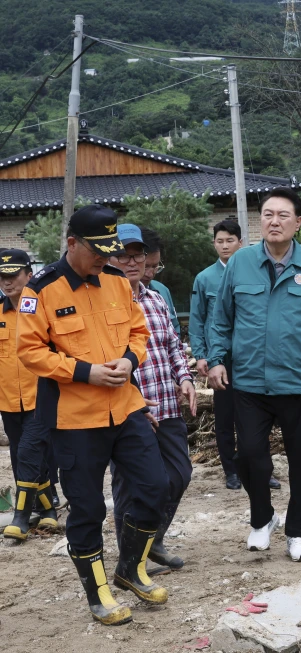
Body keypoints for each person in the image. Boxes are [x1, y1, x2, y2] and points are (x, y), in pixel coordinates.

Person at [17, 205, 170, 626]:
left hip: (126, 407)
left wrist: (129, 361)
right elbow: (30, 352)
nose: (106, 258)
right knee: (87, 509)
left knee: (156, 486)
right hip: (73, 418)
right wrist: (85, 372)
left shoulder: (118, 281)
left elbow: (138, 332)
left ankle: (130, 568)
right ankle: (97, 591)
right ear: (71, 243)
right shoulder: (41, 290)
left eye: (110, 250)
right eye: (97, 250)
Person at [208, 187, 301, 562]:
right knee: (250, 455)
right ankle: (263, 518)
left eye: (282, 215)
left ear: (298, 222)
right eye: (268, 214)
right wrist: (216, 358)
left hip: (298, 381)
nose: (274, 221)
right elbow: (221, 317)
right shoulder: (240, 263)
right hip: (250, 381)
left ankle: (299, 534)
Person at [108, 224, 197, 571]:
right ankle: (131, 558)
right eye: (123, 255)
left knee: (179, 474)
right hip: (129, 409)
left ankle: (153, 538)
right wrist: (131, 402)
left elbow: (172, 345)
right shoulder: (104, 304)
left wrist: (185, 378)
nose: (132, 262)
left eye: (138, 254)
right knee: (129, 486)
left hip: (167, 402)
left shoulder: (155, 297)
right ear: (110, 258)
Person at [189, 219, 278, 491]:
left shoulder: (257, 271)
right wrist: (202, 355)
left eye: (230, 240)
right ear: (214, 243)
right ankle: (231, 470)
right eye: (220, 240)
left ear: (241, 242)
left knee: (260, 416)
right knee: (226, 416)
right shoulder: (205, 278)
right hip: (222, 358)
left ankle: (261, 469)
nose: (225, 245)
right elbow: (197, 319)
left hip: (252, 355)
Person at [1, 248, 60, 541]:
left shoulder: (42, 308)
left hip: (42, 396)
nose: (7, 282)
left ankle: (21, 518)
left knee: (28, 452)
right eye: (2, 277)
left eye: (13, 276)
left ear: (28, 274)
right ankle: (49, 510)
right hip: (8, 399)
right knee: (22, 456)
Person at [140, 227, 180, 334]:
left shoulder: (162, 291)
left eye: (155, 266)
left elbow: (175, 329)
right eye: (145, 266)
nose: (149, 274)